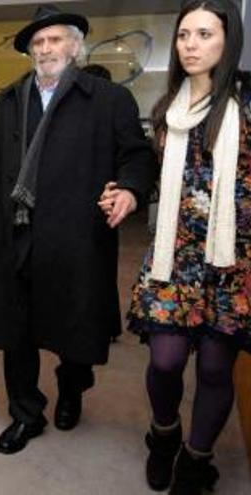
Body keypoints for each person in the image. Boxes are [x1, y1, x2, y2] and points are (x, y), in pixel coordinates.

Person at [0, 4, 156, 455]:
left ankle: (72, 388)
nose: (46, 48)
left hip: (77, 237)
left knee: (75, 328)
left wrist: (129, 189)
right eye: (38, 42)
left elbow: (138, 156)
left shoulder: (109, 100)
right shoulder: (6, 102)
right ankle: (25, 413)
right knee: (17, 331)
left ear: (74, 46)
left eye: (54, 40)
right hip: (15, 236)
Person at [119, 2, 249, 493]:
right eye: (183, 35)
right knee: (165, 360)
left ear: (227, 40)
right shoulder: (165, 110)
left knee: (217, 368)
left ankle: (197, 460)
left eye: (204, 34)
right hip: (173, 256)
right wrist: (128, 191)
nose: (191, 45)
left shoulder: (247, 104)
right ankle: (164, 434)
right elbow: (152, 177)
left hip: (233, 260)